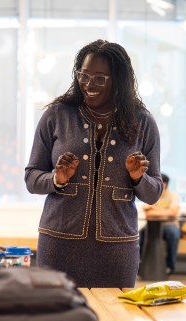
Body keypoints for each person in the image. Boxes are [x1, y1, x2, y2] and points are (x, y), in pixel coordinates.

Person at [24, 39, 163, 288]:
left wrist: (138, 178)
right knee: (55, 319)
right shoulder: (57, 115)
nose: (89, 84)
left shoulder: (143, 122)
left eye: (100, 78)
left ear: (118, 80)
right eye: (84, 75)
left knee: (115, 320)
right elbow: (32, 178)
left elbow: (154, 194)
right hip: (59, 243)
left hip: (117, 249)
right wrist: (57, 179)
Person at [140, 173, 181, 275]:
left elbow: (172, 213)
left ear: (165, 184)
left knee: (173, 235)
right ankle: (140, 265)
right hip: (152, 224)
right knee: (140, 235)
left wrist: (153, 208)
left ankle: (169, 266)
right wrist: (165, 211)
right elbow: (147, 214)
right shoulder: (151, 195)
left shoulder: (173, 195)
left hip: (169, 224)